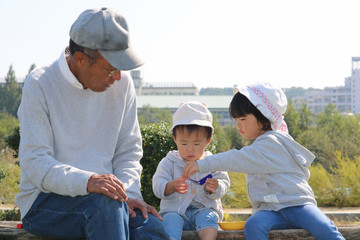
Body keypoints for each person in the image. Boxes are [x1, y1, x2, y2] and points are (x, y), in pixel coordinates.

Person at [16, 7, 169, 240]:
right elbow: (36, 163)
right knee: (105, 207)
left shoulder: (122, 83)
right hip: (44, 202)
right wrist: (89, 182)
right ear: (80, 59)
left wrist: (127, 194)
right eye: (111, 69)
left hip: (108, 201)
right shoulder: (40, 84)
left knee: (149, 225)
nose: (118, 77)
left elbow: (128, 151)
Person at [182, 83, 345, 240]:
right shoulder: (261, 144)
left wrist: (201, 164)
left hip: (297, 205)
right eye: (236, 120)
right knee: (253, 225)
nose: (238, 125)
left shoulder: (272, 143)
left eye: (243, 119)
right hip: (269, 211)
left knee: (324, 228)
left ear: (263, 115)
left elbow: (236, 158)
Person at [152, 101, 230, 240]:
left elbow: (224, 182)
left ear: (208, 140)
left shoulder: (212, 162)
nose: (190, 149)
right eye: (184, 143)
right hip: (174, 211)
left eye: (196, 143)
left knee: (209, 218)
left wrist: (216, 187)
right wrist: (169, 187)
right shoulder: (170, 161)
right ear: (175, 139)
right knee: (169, 221)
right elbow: (157, 184)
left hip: (204, 209)